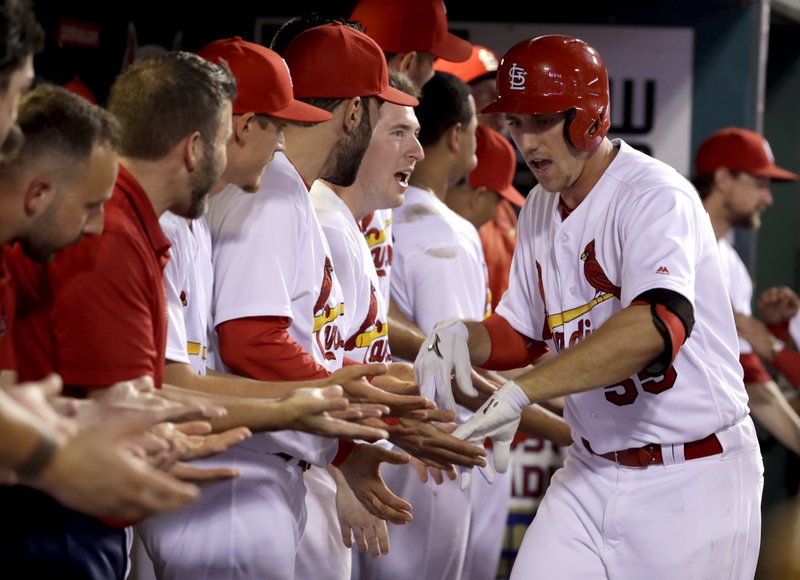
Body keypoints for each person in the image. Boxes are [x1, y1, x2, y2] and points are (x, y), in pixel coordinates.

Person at [415, 35, 764, 579]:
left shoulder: (654, 195)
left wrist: (524, 389)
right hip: (589, 470)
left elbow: (657, 325)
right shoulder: (538, 206)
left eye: (540, 121)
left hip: (693, 474)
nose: (525, 139)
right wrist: (464, 336)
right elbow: (523, 332)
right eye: (515, 121)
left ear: (589, 117)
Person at [134, 37, 396, 580]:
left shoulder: (198, 211)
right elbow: (194, 368)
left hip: (240, 469)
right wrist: (343, 409)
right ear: (240, 126)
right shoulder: (191, 214)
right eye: (276, 126)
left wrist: (344, 421)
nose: (282, 141)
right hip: (230, 480)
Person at [0, 52, 242, 580]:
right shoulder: (111, 235)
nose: (93, 225)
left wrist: (65, 430)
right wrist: (57, 454)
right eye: (13, 94)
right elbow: (113, 402)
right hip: (50, 526)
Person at [207, 24, 425, 580]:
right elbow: (250, 339)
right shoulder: (274, 190)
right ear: (353, 113)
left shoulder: (290, 188)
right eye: (380, 115)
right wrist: (348, 415)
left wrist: (369, 409)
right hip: (238, 479)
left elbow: (301, 347)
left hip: (261, 468)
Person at [690, 126, 800, 458]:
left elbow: (744, 371)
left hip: (694, 440)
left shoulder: (732, 266)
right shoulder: (673, 238)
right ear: (723, 179)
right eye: (759, 183)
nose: (767, 198)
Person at [434, 44, 525, 313]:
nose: (501, 111)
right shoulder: (425, 194)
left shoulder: (501, 195)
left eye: (503, 98)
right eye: (487, 95)